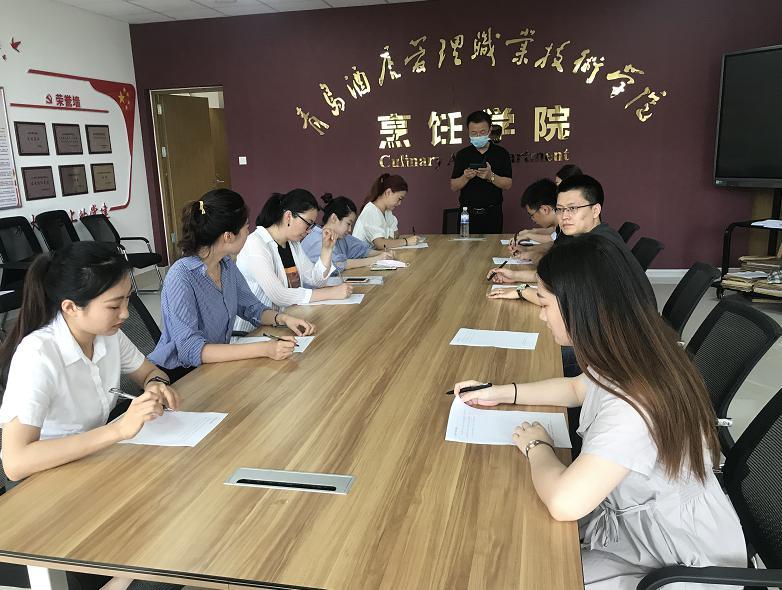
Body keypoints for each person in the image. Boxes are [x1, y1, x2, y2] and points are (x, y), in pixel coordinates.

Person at [455, 234, 745, 589]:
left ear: (579, 308)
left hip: (679, 563)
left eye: (544, 304)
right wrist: (502, 392)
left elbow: (565, 502)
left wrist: (536, 446)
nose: (542, 315)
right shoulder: (630, 348)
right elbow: (577, 388)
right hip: (641, 527)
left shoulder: (634, 401)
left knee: (520, 570)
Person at [0, 242, 182, 590]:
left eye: (127, 300)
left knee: (173, 512)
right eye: (114, 305)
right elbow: (15, 462)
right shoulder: (38, 355)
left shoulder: (106, 335)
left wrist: (155, 386)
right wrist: (118, 430)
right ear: (70, 307)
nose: (125, 313)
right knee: (165, 544)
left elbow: (149, 371)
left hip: (92, 464)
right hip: (45, 488)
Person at [149, 189, 314, 380]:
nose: (248, 232)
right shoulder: (181, 276)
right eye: (246, 227)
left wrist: (284, 319)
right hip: (178, 375)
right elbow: (190, 349)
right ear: (228, 236)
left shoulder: (226, 265)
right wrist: (264, 349)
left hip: (214, 367)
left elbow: (252, 308)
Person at [488, 175, 655, 308]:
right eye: (560, 209)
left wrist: (520, 291)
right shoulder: (585, 236)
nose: (564, 216)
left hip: (620, 336)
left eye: (573, 208)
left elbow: (561, 301)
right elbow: (556, 277)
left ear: (595, 210)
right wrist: (514, 275)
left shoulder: (596, 248)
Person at [234, 189, 352, 329]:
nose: (309, 231)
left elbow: (316, 280)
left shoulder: (292, 244)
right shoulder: (255, 243)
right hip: (254, 331)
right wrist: (330, 293)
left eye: (312, 225)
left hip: (285, 323)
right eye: (308, 223)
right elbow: (279, 295)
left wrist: (327, 249)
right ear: (289, 216)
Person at [450, 110, 513, 233]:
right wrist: (465, 177)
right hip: (467, 214)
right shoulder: (463, 154)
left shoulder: (501, 153)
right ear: (468, 132)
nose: (478, 136)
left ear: (489, 130)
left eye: (482, 132)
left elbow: (508, 184)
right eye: (474, 133)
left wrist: (491, 176)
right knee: (464, 244)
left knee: (492, 245)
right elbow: (453, 186)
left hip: (492, 214)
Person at [301, 193, 394, 272]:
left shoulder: (341, 237)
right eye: (348, 223)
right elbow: (339, 264)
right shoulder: (316, 239)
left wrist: (383, 254)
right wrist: (376, 259)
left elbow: (362, 250)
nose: (350, 229)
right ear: (334, 218)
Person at [353, 173, 418, 249]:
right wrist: (406, 241)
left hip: (375, 254)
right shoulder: (371, 211)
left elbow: (396, 234)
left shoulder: (387, 212)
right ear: (388, 192)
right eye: (399, 199)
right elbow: (380, 244)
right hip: (360, 256)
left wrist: (387, 241)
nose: (399, 203)